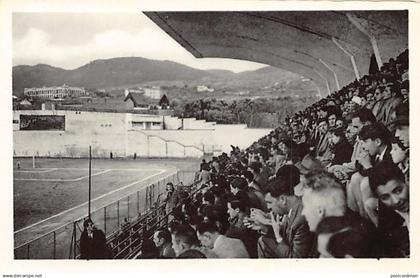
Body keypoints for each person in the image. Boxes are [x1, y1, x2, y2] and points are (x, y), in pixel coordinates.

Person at [253, 178, 314, 258]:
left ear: (283, 199)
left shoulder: (301, 219)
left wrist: (278, 236)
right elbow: (288, 235)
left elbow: (295, 258)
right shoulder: (294, 207)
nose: (268, 207)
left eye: (270, 202)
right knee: (263, 240)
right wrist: (265, 228)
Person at [369, 162, 410, 257]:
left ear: (406, 180)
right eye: (385, 197)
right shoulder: (386, 211)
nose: (395, 201)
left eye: (398, 190)